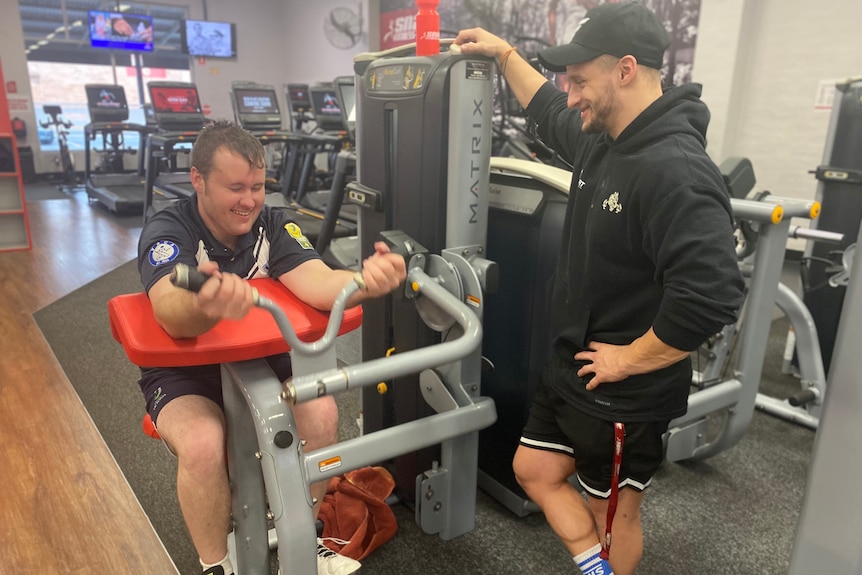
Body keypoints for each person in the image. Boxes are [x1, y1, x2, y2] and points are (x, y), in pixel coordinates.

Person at [455, 3, 745, 575]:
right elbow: (543, 108)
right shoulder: (606, 136)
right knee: (533, 470)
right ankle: (597, 569)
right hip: (574, 367)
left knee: (613, 517)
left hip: (624, 391)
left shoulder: (676, 169)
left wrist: (628, 360)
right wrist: (504, 54)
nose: (570, 95)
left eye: (580, 81)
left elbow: (711, 293)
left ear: (626, 70)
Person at [136, 120, 406, 575]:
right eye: (236, 187)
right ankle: (215, 564)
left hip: (262, 355)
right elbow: (170, 312)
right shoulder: (168, 229)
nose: (249, 201)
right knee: (203, 443)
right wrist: (208, 305)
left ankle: (304, 538)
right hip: (187, 369)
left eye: (258, 186)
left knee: (320, 414)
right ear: (198, 180)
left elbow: (319, 284)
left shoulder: (272, 225)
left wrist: (365, 281)